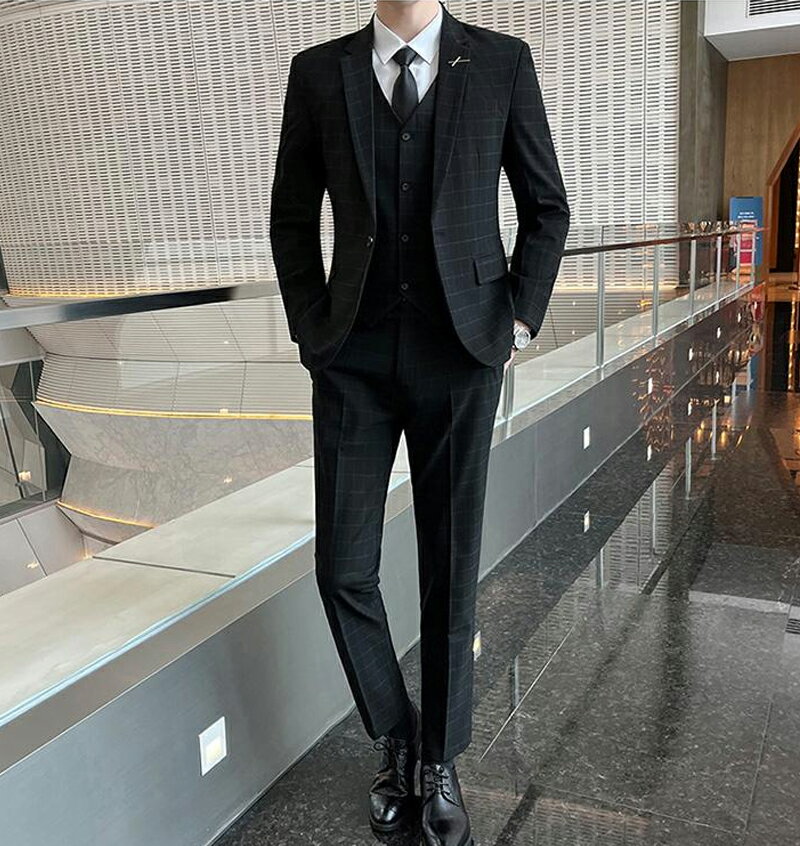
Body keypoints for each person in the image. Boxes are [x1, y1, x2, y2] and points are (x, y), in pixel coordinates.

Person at [269, 1, 569, 843]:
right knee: (342, 569)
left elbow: (547, 207)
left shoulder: (502, 62)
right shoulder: (318, 73)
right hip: (353, 360)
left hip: (461, 354)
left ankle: (438, 760)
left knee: (450, 569)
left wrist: (517, 321)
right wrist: (313, 330)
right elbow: (290, 217)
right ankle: (398, 735)